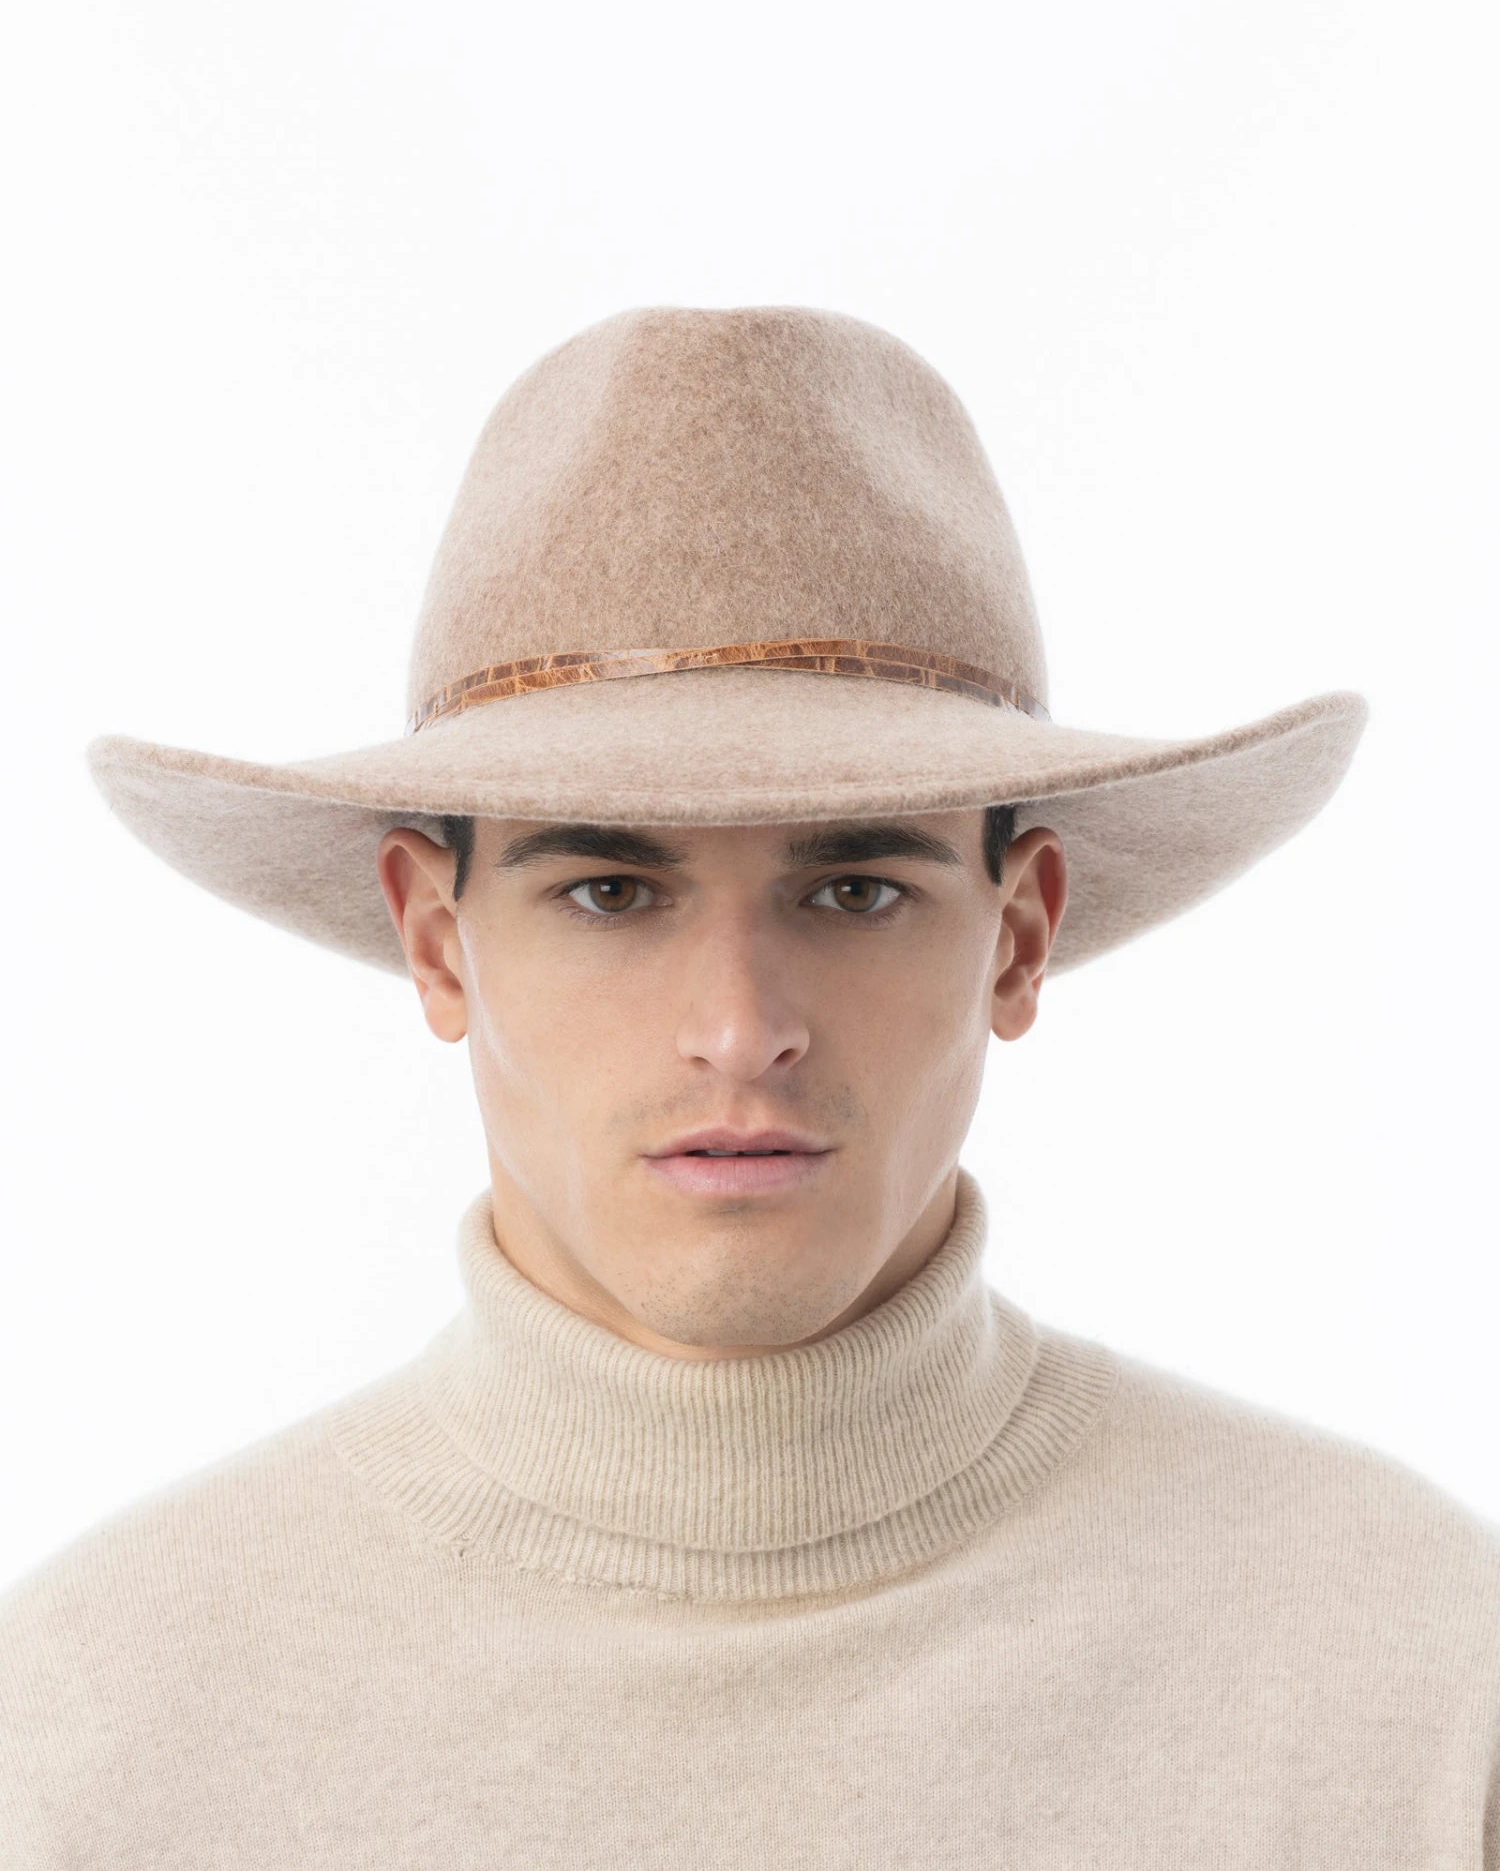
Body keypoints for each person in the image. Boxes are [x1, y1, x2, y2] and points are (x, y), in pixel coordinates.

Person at [2, 307, 1496, 1868]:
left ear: (1020, 933)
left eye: (854, 889)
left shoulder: (1412, 1685)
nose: (738, 1027)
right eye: (609, 892)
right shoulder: (99, 1739)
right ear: (436, 942)